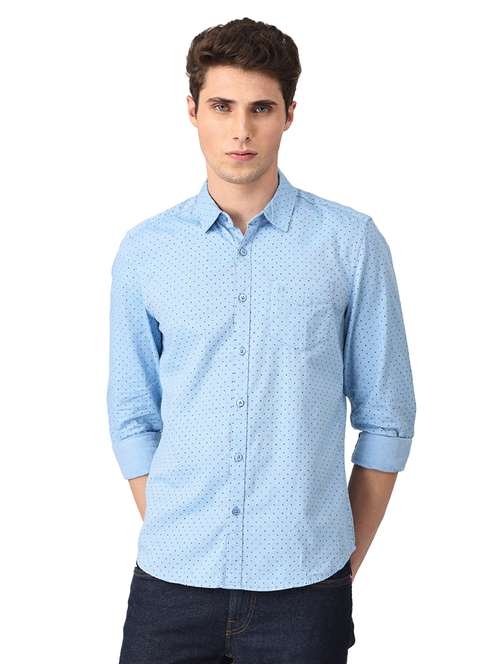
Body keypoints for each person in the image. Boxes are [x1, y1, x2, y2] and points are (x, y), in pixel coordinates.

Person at [106, 16, 417, 664]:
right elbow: (133, 414)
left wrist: (337, 561)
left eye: (261, 108)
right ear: (192, 111)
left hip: (305, 591)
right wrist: (178, 530)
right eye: (222, 106)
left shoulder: (350, 243)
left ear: (289, 114)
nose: (241, 130)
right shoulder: (146, 252)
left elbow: (388, 419)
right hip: (170, 587)